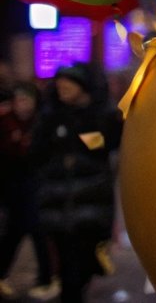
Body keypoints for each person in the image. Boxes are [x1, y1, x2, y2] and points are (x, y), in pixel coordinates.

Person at [33, 64, 121, 303]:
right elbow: (37, 153)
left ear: (83, 88)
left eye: (68, 85)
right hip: (57, 205)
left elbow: (102, 146)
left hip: (90, 205)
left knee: (82, 264)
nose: (62, 89)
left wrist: (77, 132)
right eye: (59, 86)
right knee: (67, 270)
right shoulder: (50, 118)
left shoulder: (99, 116)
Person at [0, 83, 56, 300]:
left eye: (26, 100)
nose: (22, 105)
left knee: (37, 233)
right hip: (13, 189)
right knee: (15, 233)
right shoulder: (5, 123)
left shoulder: (42, 123)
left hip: (36, 187)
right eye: (19, 100)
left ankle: (46, 278)